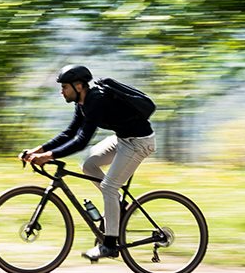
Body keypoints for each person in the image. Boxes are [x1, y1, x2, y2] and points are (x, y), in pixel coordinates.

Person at [19, 64, 156, 262]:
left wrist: (49, 156)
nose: (61, 91)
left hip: (139, 143)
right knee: (88, 166)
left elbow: (81, 140)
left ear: (79, 86)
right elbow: (70, 132)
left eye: (64, 86)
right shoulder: (82, 103)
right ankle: (118, 205)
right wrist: (39, 150)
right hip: (123, 139)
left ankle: (109, 245)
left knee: (109, 186)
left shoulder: (96, 101)